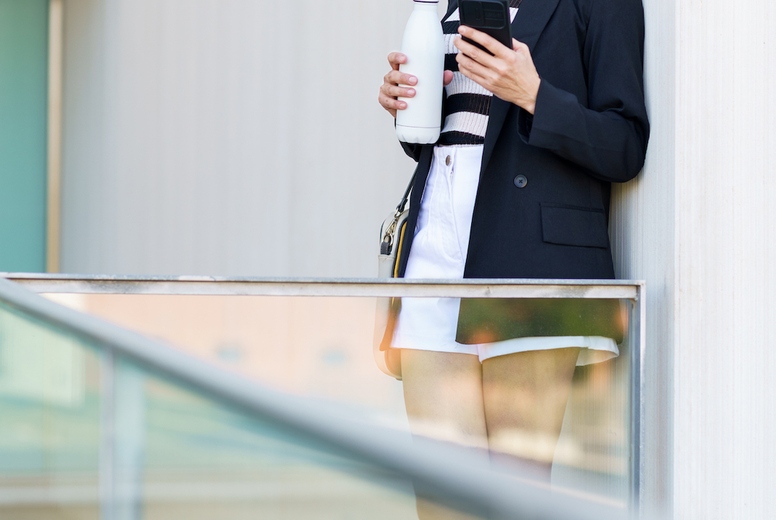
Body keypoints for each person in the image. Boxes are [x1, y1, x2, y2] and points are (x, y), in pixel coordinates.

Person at [378, 0, 648, 514]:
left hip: (533, 264)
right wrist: (408, 107)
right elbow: (466, 139)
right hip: (436, 258)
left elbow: (624, 146)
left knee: (514, 498)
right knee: (441, 501)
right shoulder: (451, 5)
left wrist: (534, 95)